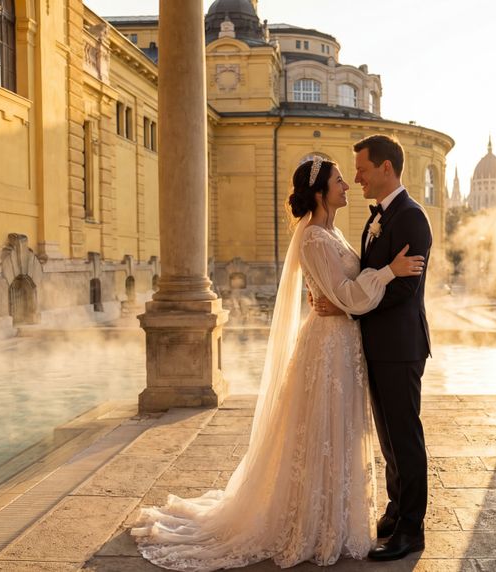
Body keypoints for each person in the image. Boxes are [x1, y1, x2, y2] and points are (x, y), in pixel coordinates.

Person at [131, 156, 425, 571]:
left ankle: (334, 518)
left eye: (348, 177)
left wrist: (344, 295)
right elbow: (349, 295)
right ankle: (311, 521)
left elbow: (340, 294)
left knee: (337, 428)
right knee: (322, 428)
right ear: (321, 191)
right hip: (327, 347)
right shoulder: (313, 238)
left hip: (343, 343)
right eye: (340, 181)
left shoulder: (334, 232)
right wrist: (389, 273)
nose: (347, 185)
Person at [314, 134, 432, 561]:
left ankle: (411, 530)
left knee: (404, 436)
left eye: (362, 169)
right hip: (376, 346)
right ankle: (396, 510)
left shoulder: (412, 218)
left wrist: (348, 310)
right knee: (388, 439)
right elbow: (367, 275)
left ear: (386, 168)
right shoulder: (375, 219)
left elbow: (402, 288)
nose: (357, 178)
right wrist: (344, 300)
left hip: (400, 346)